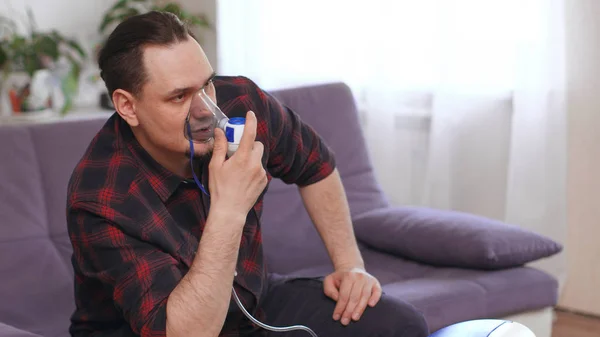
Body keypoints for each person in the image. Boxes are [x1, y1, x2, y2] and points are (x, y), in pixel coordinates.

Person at [66, 10, 429, 337]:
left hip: (247, 304)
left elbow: (315, 163)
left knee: (400, 325)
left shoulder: (240, 103)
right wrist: (228, 210)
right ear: (128, 106)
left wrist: (350, 265)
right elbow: (181, 332)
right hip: (163, 328)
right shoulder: (100, 197)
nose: (207, 109)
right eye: (179, 97)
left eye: (206, 84)